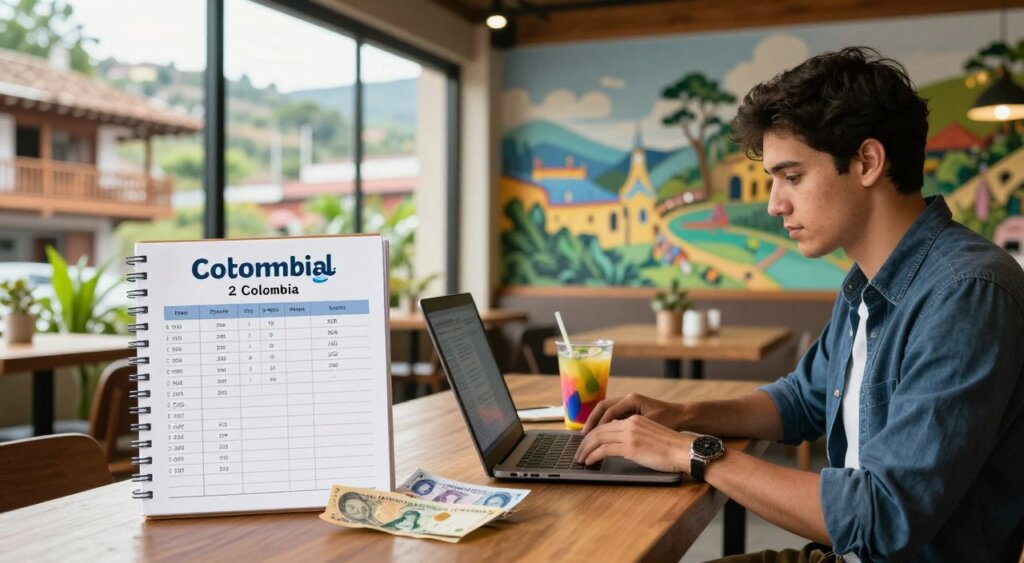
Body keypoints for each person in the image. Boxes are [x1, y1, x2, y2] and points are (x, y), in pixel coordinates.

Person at [574, 46, 1024, 562]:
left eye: (792, 177)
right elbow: (801, 401)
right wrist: (681, 414)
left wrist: (691, 452)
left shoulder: (966, 293)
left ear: (867, 162)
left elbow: (882, 516)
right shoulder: (869, 280)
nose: (773, 203)